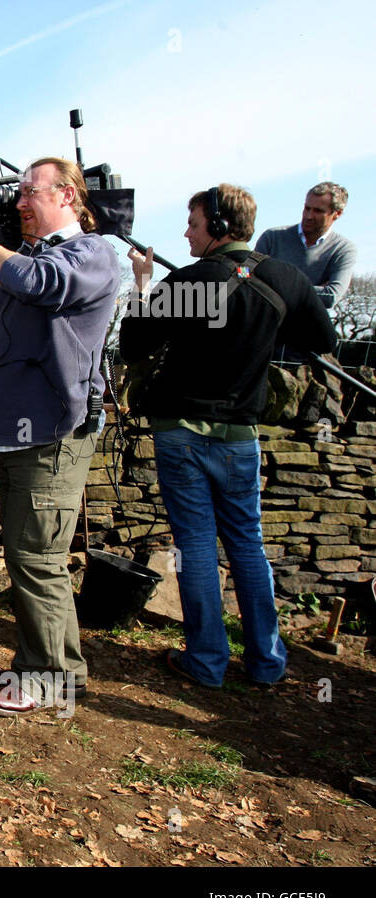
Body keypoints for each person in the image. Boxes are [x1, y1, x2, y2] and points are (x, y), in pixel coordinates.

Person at [123, 184, 337, 689]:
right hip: (242, 434)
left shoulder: (188, 282)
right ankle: (267, 662)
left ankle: (207, 661)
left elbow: (133, 343)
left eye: (193, 223)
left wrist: (142, 284)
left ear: (218, 227)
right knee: (247, 544)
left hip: (180, 432)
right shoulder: (288, 279)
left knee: (195, 545)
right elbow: (323, 341)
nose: (186, 232)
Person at [0, 157, 118, 717]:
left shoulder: (90, 253)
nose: (19, 202)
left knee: (37, 558)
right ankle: (60, 672)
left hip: (55, 432)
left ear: (67, 194)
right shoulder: (20, 263)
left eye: (29, 191)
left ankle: (47, 679)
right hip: (15, 432)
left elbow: (40, 284)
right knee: (30, 555)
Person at [254, 182, 356, 310]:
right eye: (307, 208)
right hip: (268, 325)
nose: (308, 216)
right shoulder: (272, 237)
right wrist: (313, 290)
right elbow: (245, 275)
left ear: (337, 214)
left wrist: (272, 285)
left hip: (308, 328)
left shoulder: (343, 249)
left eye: (318, 211)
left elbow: (331, 296)